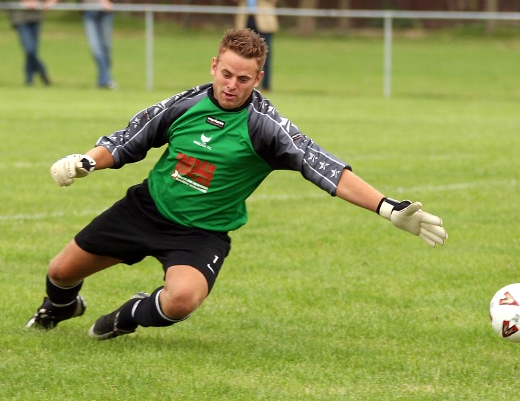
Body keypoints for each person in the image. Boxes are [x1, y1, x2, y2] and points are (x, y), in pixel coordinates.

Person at [25, 28, 447, 340]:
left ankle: (130, 314)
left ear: (258, 78)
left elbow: (326, 168)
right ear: (214, 65)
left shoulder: (266, 127)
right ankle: (61, 308)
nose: (231, 85)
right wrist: (86, 162)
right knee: (60, 272)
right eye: (226, 74)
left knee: (181, 301)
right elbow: (127, 141)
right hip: (145, 210)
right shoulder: (184, 104)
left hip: (201, 233)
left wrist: (387, 207)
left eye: (243, 79)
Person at [44, 0, 116, 90]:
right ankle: (106, 80)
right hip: (88, 10)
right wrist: (51, 1)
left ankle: (104, 79)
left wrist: (104, 1)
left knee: (106, 46)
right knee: (95, 47)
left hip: (104, 10)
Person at [231, 0, 280, 92]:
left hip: (264, 21)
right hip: (245, 20)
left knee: (265, 55)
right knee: (241, 55)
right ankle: (242, 85)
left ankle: (265, 86)